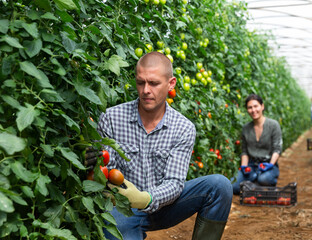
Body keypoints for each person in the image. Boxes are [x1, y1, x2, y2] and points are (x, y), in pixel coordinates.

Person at [86, 52, 232, 240]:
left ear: (171, 84)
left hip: (165, 207)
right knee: (118, 229)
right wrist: (95, 158)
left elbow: (175, 182)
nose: (146, 90)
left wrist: (146, 198)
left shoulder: (183, 127)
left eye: (153, 83)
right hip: (122, 208)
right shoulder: (112, 118)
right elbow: (107, 164)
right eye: (140, 82)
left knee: (220, 186)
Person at [232, 94, 282, 195]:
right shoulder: (246, 128)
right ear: (247, 110)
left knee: (265, 179)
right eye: (250, 107)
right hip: (251, 165)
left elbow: (277, 149)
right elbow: (245, 151)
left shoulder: (273, 125)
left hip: (267, 165)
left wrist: (271, 164)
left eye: (256, 106)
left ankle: (255, 182)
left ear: (262, 106)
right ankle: (255, 181)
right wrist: (244, 166)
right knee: (233, 186)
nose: (253, 110)